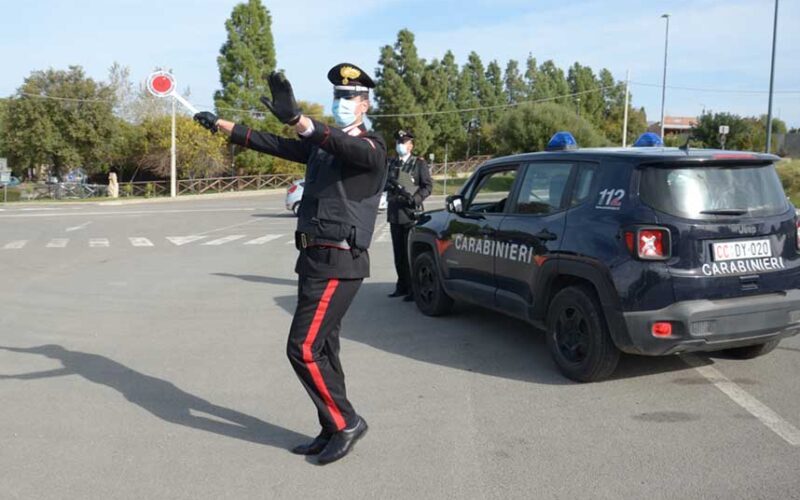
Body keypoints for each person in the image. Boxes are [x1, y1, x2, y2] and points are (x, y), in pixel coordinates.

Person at [194, 63, 387, 465]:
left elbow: (339, 144)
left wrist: (300, 120)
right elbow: (269, 143)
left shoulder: (370, 148)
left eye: (350, 97)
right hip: (313, 259)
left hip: (340, 262)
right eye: (337, 96)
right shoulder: (321, 147)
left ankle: (347, 422)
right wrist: (219, 125)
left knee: (301, 348)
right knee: (325, 349)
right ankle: (331, 425)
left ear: (366, 103)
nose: (342, 103)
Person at [386, 130, 432, 301]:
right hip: (394, 213)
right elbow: (385, 182)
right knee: (398, 254)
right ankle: (402, 285)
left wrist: (416, 198)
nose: (400, 145)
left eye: (403, 142)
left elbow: (427, 186)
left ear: (410, 145)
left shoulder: (419, 164)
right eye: (398, 142)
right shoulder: (392, 163)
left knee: (409, 253)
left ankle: (414, 289)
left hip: (411, 213)